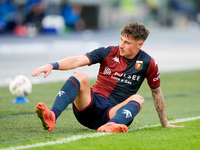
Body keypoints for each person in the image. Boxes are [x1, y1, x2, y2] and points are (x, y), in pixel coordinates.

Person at [32, 21, 184, 133]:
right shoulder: (108, 52)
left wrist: (164, 123)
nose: (121, 45)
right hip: (88, 107)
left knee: (139, 99)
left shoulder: (147, 62)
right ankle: (52, 116)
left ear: (140, 44)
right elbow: (77, 61)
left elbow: (156, 91)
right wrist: (52, 65)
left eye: (127, 42)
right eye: (121, 39)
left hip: (112, 113)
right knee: (79, 75)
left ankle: (111, 126)